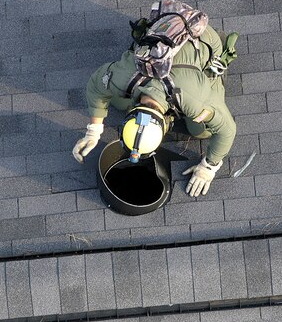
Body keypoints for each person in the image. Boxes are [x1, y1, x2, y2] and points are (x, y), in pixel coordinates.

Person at [72, 12, 237, 198]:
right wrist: (94, 129)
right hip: (165, 38)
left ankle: (216, 66)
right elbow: (96, 84)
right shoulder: (124, 77)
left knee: (200, 131)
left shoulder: (194, 99)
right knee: (117, 101)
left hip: (201, 41)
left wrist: (209, 167)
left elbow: (227, 130)